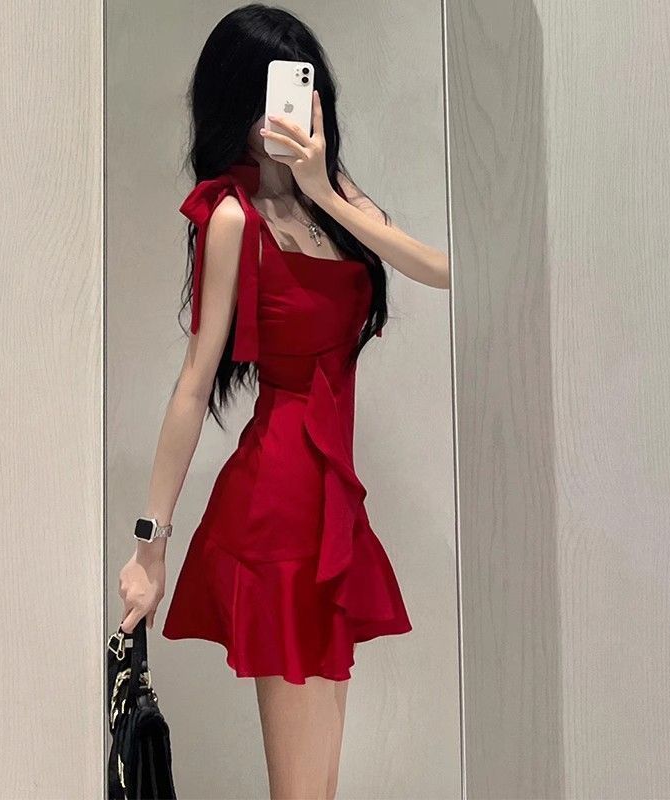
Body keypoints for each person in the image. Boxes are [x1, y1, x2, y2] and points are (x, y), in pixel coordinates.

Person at [118, 4, 450, 798]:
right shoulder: (232, 218)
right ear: (237, 102)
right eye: (270, 96)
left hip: (332, 502)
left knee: (317, 787)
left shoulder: (332, 195)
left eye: (301, 92)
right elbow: (194, 382)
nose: (288, 114)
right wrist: (150, 546)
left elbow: (442, 270)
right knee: (303, 790)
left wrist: (323, 190)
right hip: (280, 509)